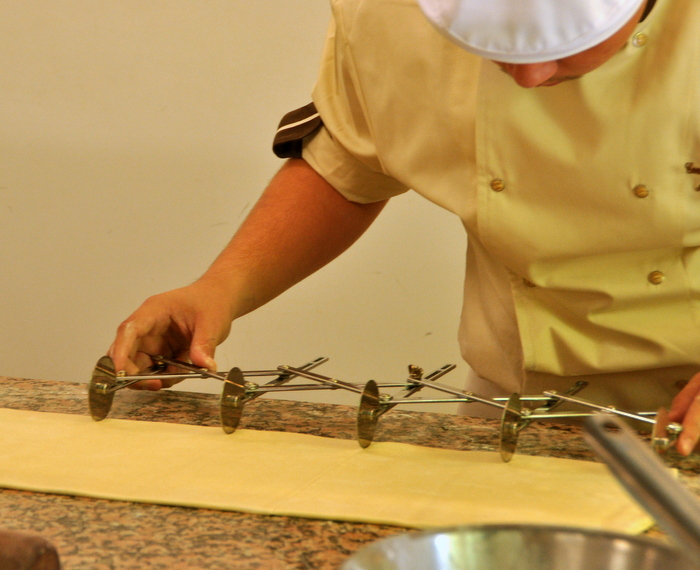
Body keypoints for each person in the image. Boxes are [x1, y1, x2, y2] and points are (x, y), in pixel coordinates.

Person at [109, 0, 700, 455]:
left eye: (567, 45)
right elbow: (351, 161)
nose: (527, 76)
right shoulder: (387, 14)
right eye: (489, 48)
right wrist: (220, 288)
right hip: (517, 404)